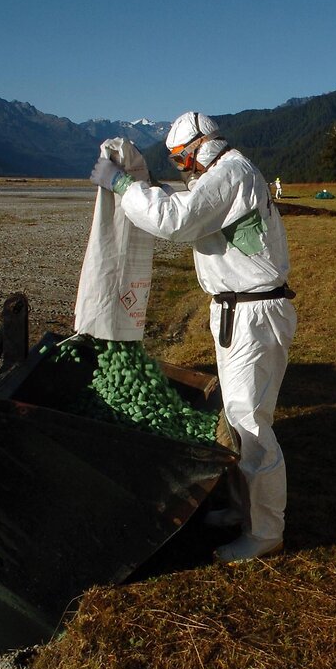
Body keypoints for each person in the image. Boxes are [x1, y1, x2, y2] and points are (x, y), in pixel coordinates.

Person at [90, 110, 297, 565]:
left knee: (252, 425)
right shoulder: (226, 174)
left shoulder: (231, 172)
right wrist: (144, 188)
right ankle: (245, 511)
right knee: (239, 418)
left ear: (202, 146)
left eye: (184, 160)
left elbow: (177, 220)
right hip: (240, 311)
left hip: (252, 314)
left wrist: (124, 187)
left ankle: (266, 532)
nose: (185, 170)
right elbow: (189, 203)